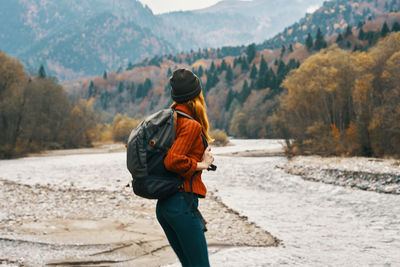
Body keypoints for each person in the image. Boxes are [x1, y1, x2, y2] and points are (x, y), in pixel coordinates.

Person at [156, 68, 214, 267]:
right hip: (181, 204)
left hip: (166, 206)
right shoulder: (190, 125)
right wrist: (202, 164)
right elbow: (172, 161)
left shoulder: (171, 118)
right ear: (196, 94)